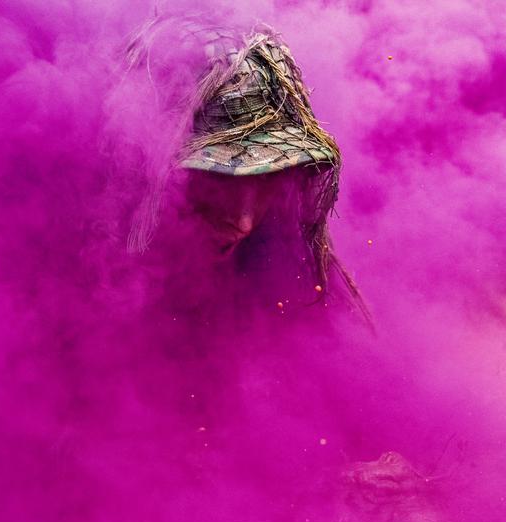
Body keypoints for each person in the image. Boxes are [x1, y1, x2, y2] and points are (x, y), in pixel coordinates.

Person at [123, 16, 368, 320]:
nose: (243, 222)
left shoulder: (294, 283)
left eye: (269, 174)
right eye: (216, 176)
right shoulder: (74, 281)